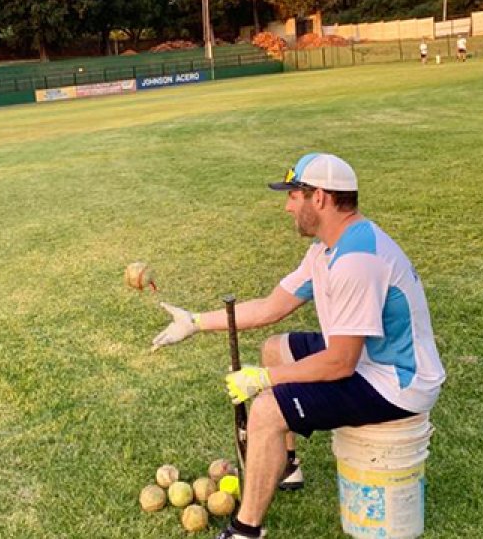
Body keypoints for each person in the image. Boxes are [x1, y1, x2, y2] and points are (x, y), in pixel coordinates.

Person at [151, 153, 445, 539]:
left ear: (319, 197)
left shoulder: (356, 261)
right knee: (275, 348)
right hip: (369, 358)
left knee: (266, 409)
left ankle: (246, 529)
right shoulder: (328, 248)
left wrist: (265, 379)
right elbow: (270, 308)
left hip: (396, 382)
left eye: (293, 195)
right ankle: (286, 465)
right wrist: (195, 322)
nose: (287, 207)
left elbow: (339, 363)